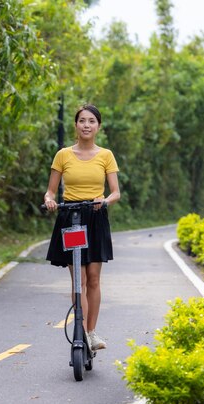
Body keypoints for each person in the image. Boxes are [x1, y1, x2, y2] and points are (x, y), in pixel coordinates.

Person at [43, 104, 120, 351]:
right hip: (71, 218)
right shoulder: (63, 155)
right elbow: (50, 191)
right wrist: (49, 200)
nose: (86, 125)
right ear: (75, 125)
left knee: (94, 279)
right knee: (80, 279)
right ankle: (81, 334)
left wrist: (105, 200)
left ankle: (91, 333)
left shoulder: (106, 155)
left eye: (91, 121)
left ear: (98, 126)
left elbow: (116, 192)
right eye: (82, 121)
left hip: (96, 216)